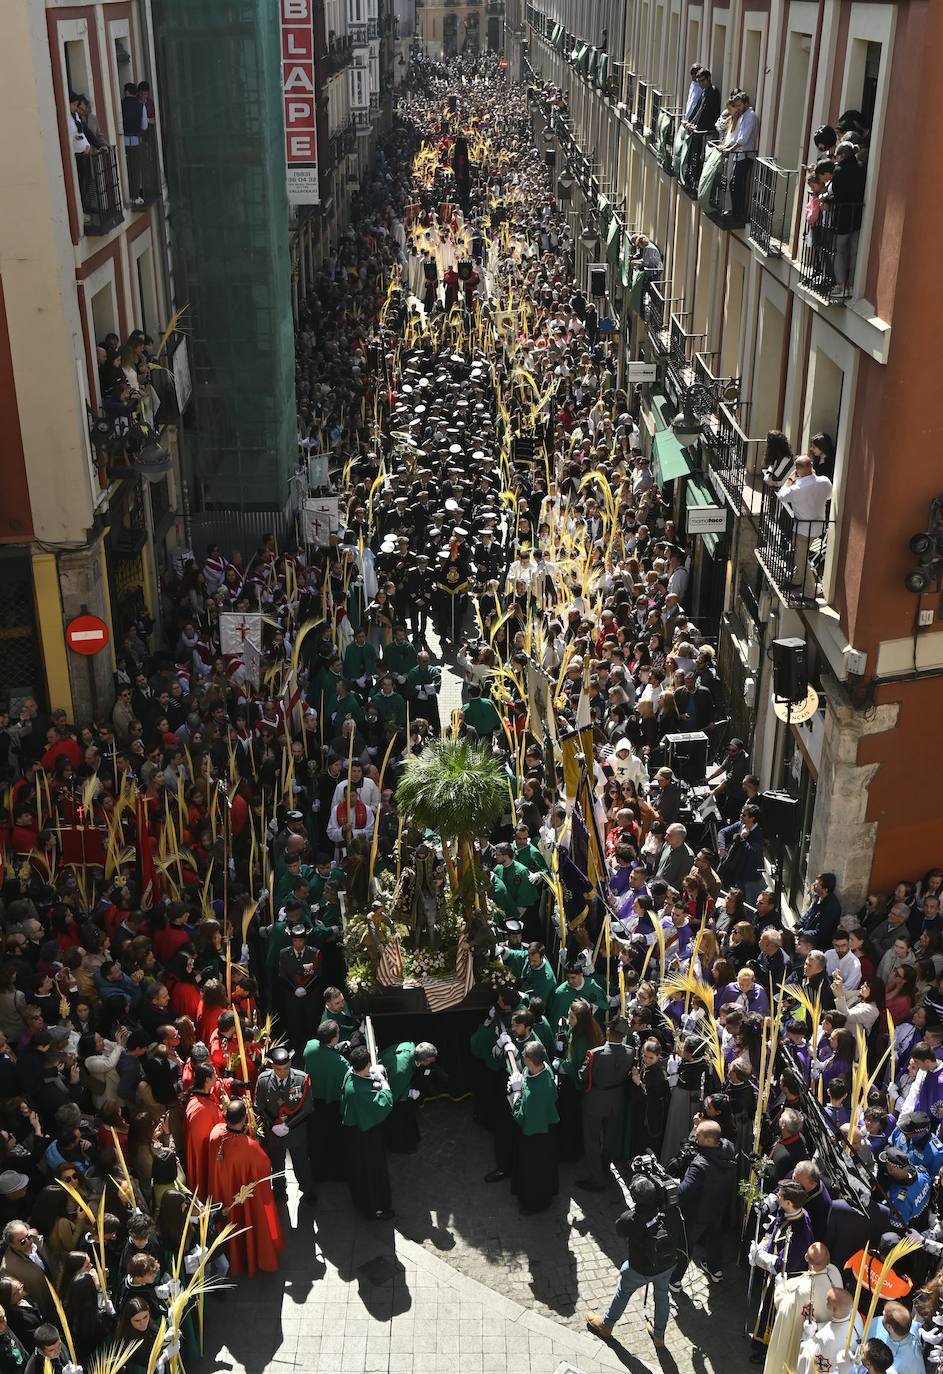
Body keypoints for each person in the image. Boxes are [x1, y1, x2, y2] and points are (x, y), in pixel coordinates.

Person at [586, 1173, 682, 1348]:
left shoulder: (630, 1219)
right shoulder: (669, 1210)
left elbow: (619, 1230)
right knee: (662, 1296)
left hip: (642, 1269)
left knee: (624, 1289)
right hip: (667, 1263)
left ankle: (606, 1326)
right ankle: (659, 1336)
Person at [207, 1100, 283, 1277]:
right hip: (241, 1199)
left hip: (221, 1193)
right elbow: (265, 1167)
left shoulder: (215, 1132)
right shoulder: (250, 1147)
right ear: (244, 1119)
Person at [668, 1119, 737, 1286]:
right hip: (719, 1206)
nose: (695, 1139)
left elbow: (682, 1192)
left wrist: (674, 1183)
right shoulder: (728, 1147)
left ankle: (675, 1280)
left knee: (686, 1244)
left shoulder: (699, 1166)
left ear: (707, 1140)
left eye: (697, 1136)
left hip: (697, 1212)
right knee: (714, 1238)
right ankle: (715, 1270)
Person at [762, 1242, 843, 1374]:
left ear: (806, 1258)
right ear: (828, 1259)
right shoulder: (834, 1272)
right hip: (823, 1342)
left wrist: (780, 1286)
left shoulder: (804, 1291)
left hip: (803, 1340)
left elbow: (784, 1307)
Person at [576, 1016, 634, 1191]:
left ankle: (596, 1178)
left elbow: (582, 1076)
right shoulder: (630, 1051)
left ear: (608, 1031)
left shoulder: (595, 1054)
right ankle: (605, 1167)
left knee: (592, 1139)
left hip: (596, 1100)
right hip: (617, 1099)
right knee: (610, 1138)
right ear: (623, 1036)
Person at [254, 1046, 316, 1206]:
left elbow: (308, 1108)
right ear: (272, 1066)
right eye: (278, 1069)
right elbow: (259, 1106)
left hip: (296, 1132)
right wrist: (272, 1124)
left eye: (286, 1068)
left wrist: (289, 1125)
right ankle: (279, 1189)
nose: (282, 1072)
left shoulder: (301, 1080)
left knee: (301, 1162)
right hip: (274, 1133)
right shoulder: (263, 1080)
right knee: (277, 1163)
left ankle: (307, 1190)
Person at [340, 1046, 394, 1220]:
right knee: (372, 1171)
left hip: (353, 1132)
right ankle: (376, 1208)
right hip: (366, 1135)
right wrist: (384, 1082)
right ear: (367, 1064)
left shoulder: (349, 1073)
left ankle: (362, 1201)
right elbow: (385, 1103)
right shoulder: (360, 1092)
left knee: (359, 1170)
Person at [508, 1041, 559, 1214]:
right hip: (545, 1127)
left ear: (530, 1060)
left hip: (535, 1135)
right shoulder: (541, 1068)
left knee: (534, 1170)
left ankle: (534, 1203)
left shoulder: (537, 1093)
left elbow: (522, 1117)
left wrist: (516, 1094)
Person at [776, 456, 833, 600]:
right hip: (818, 527)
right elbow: (829, 497)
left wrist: (789, 480)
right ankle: (796, 580)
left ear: (797, 470)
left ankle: (809, 592)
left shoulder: (796, 489)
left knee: (801, 560)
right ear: (811, 466)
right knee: (801, 557)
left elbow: (781, 496)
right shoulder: (825, 482)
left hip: (802, 529)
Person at [377, 1040, 438, 1153]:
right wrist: (408, 1092)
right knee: (400, 1120)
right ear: (423, 1060)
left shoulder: (409, 1046)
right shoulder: (402, 1071)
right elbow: (393, 1095)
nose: (431, 1062)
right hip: (395, 1092)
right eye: (429, 1061)